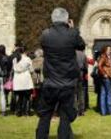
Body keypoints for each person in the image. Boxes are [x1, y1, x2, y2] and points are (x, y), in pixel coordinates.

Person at [36, 8, 85, 139]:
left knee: (45, 116)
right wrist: (73, 29)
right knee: (65, 117)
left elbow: (44, 45)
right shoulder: (72, 34)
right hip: (67, 83)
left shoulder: (45, 34)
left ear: (52, 19)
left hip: (50, 82)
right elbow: (81, 45)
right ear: (66, 20)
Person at [13, 47, 34, 116]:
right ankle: (26, 111)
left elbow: (14, 69)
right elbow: (31, 70)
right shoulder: (27, 59)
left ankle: (19, 111)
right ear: (23, 52)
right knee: (26, 97)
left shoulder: (15, 60)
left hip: (17, 80)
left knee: (19, 97)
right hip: (25, 79)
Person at [98, 45, 111, 116]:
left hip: (107, 76)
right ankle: (110, 111)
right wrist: (104, 73)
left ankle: (104, 112)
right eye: (108, 50)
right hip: (106, 77)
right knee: (108, 94)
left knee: (103, 93)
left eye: (110, 50)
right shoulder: (103, 56)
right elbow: (99, 66)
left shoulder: (108, 57)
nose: (109, 51)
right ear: (105, 50)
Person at [76, 49, 88, 116]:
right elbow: (86, 67)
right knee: (81, 93)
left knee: (74, 94)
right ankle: (82, 110)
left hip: (73, 75)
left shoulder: (71, 53)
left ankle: (76, 111)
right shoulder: (83, 54)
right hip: (81, 74)